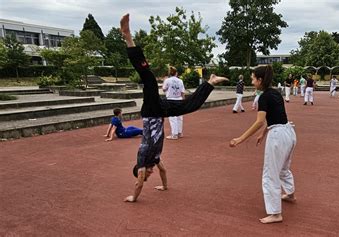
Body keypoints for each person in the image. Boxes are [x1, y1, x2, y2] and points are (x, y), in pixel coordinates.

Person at [120, 14, 228, 203]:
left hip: (151, 111)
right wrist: (165, 186)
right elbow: (163, 170)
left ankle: (127, 37)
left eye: (146, 175)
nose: (149, 174)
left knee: (148, 78)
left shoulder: (143, 161)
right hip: (161, 111)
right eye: (148, 176)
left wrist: (133, 198)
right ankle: (210, 83)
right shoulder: (155, 160)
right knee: (189, 106)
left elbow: (138, 184)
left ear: (140, 172)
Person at [230, 65, 297, 224]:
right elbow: (277, 117)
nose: (252, 81)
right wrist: (264, 133)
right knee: (283, 168)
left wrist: (241, 138)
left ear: (260, 80)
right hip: (289, 132)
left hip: (278, 137)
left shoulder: (264, 97)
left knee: (270, 174)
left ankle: (275, 213)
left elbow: (259, 121)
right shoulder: (275, 93)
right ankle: (290, 193)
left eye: (253, 78)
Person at [163, 66, 185, 140]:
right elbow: (182, 92)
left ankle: (174, 134)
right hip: (179, 99)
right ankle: (179, 132)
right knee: (179, 117)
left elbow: (164, 89)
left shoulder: (167, 80)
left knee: (173, 118)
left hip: (170, 100)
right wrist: (183, 101)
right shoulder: (180, 81)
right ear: (176, 73)